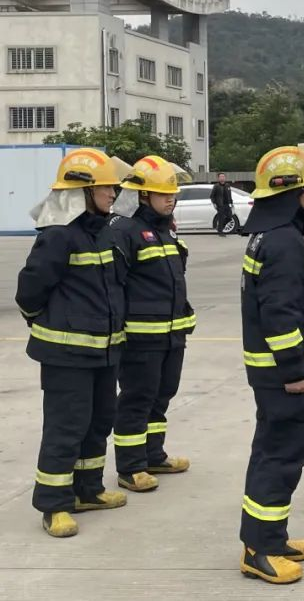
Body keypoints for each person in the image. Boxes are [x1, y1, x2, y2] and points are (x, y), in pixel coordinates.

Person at [15, 148, 128, 538]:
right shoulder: (59, 235)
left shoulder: (103, 232)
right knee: (66, 427)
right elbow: (29, 291)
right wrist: (43, 321)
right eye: (106, 188)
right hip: (67, 355)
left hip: (104, 351)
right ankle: (54, 504)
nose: (112, 194)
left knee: (98, 422)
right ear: (83, 191)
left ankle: (88, 490)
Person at [237, 146, 304, 584]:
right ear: (292, 191)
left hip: (276, 375)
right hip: (286, 377)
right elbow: (280, 315)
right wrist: (295, 371)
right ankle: (259, 549)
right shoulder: (283, 242)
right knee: (281, 455)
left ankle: (270, 538)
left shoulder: (274, 235)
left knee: (274, 452)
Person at [110, 156, 196, 495]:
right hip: (141, 337)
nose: (170, 199)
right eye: (163, 194)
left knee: (162, 395)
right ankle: (131, 467)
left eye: (172, 193)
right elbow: (115, 284)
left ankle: (153, 455)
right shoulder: (124, 231)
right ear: (143, 195)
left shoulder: (164, 230)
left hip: (172, 333)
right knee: (137, 398)